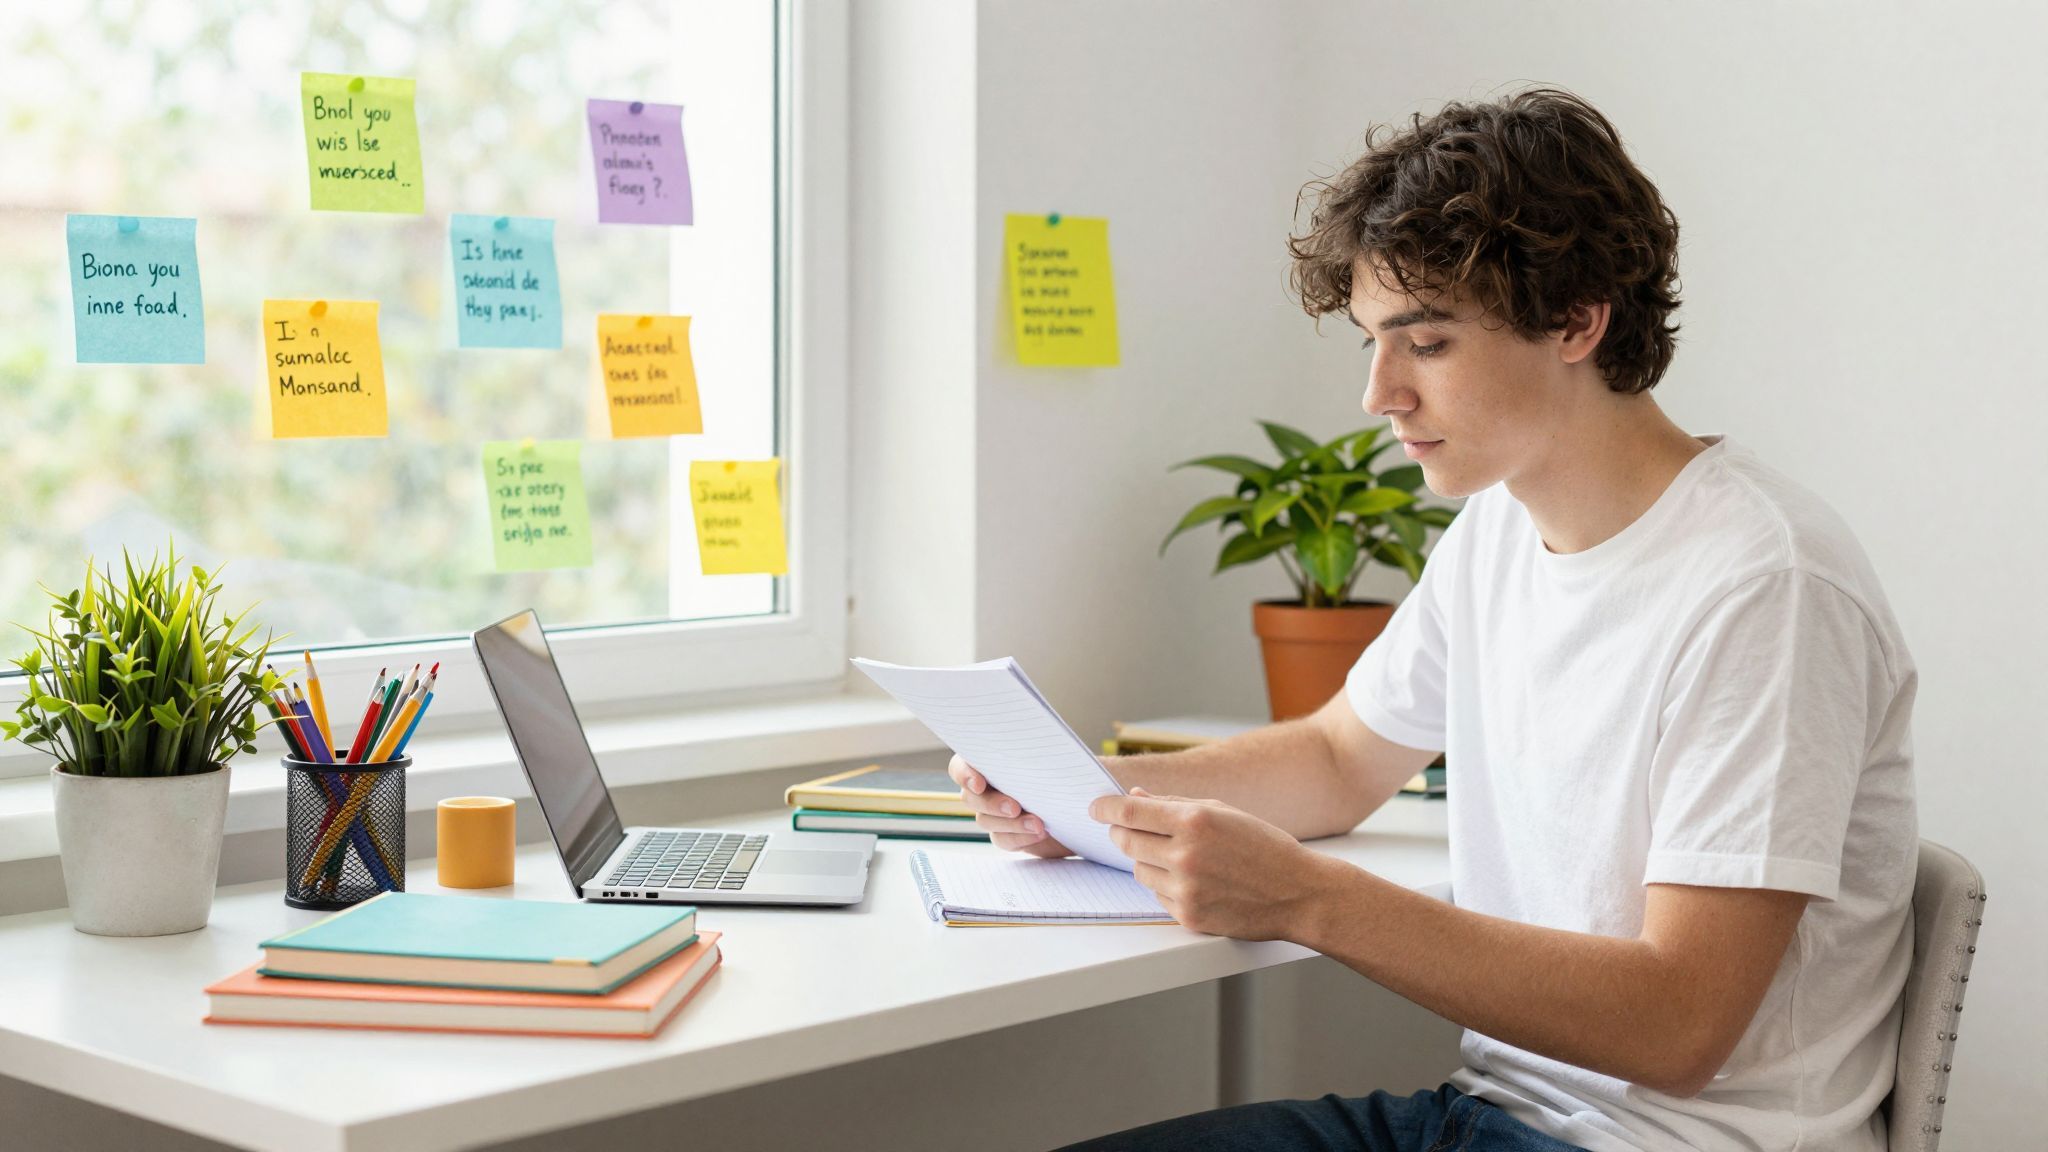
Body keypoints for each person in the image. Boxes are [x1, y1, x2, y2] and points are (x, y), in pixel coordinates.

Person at [950, 88, 1918, 1152]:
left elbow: (1677, 1023)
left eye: (1425, 343)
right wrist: (1085, 795)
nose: (1377, 394)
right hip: (1487, 1122)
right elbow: (1334, 761)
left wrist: (1308, 900)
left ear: (1577, 319)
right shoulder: (1498, 532)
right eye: (1371, 342)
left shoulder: (1763, 586)